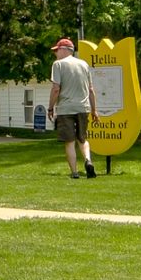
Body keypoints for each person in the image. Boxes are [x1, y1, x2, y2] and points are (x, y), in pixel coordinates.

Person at [48, 37, 96, 180]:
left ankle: (74, 173)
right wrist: (95, 110)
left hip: (65, 109)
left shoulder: (58, 65)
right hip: (83, 107)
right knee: (82, 139)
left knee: (69, 141)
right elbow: (91, 89)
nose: (55, 53)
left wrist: (50, 108)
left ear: (64, 50)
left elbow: (56, 89)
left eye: (57, 50)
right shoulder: (84, 64)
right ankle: (88, 160)